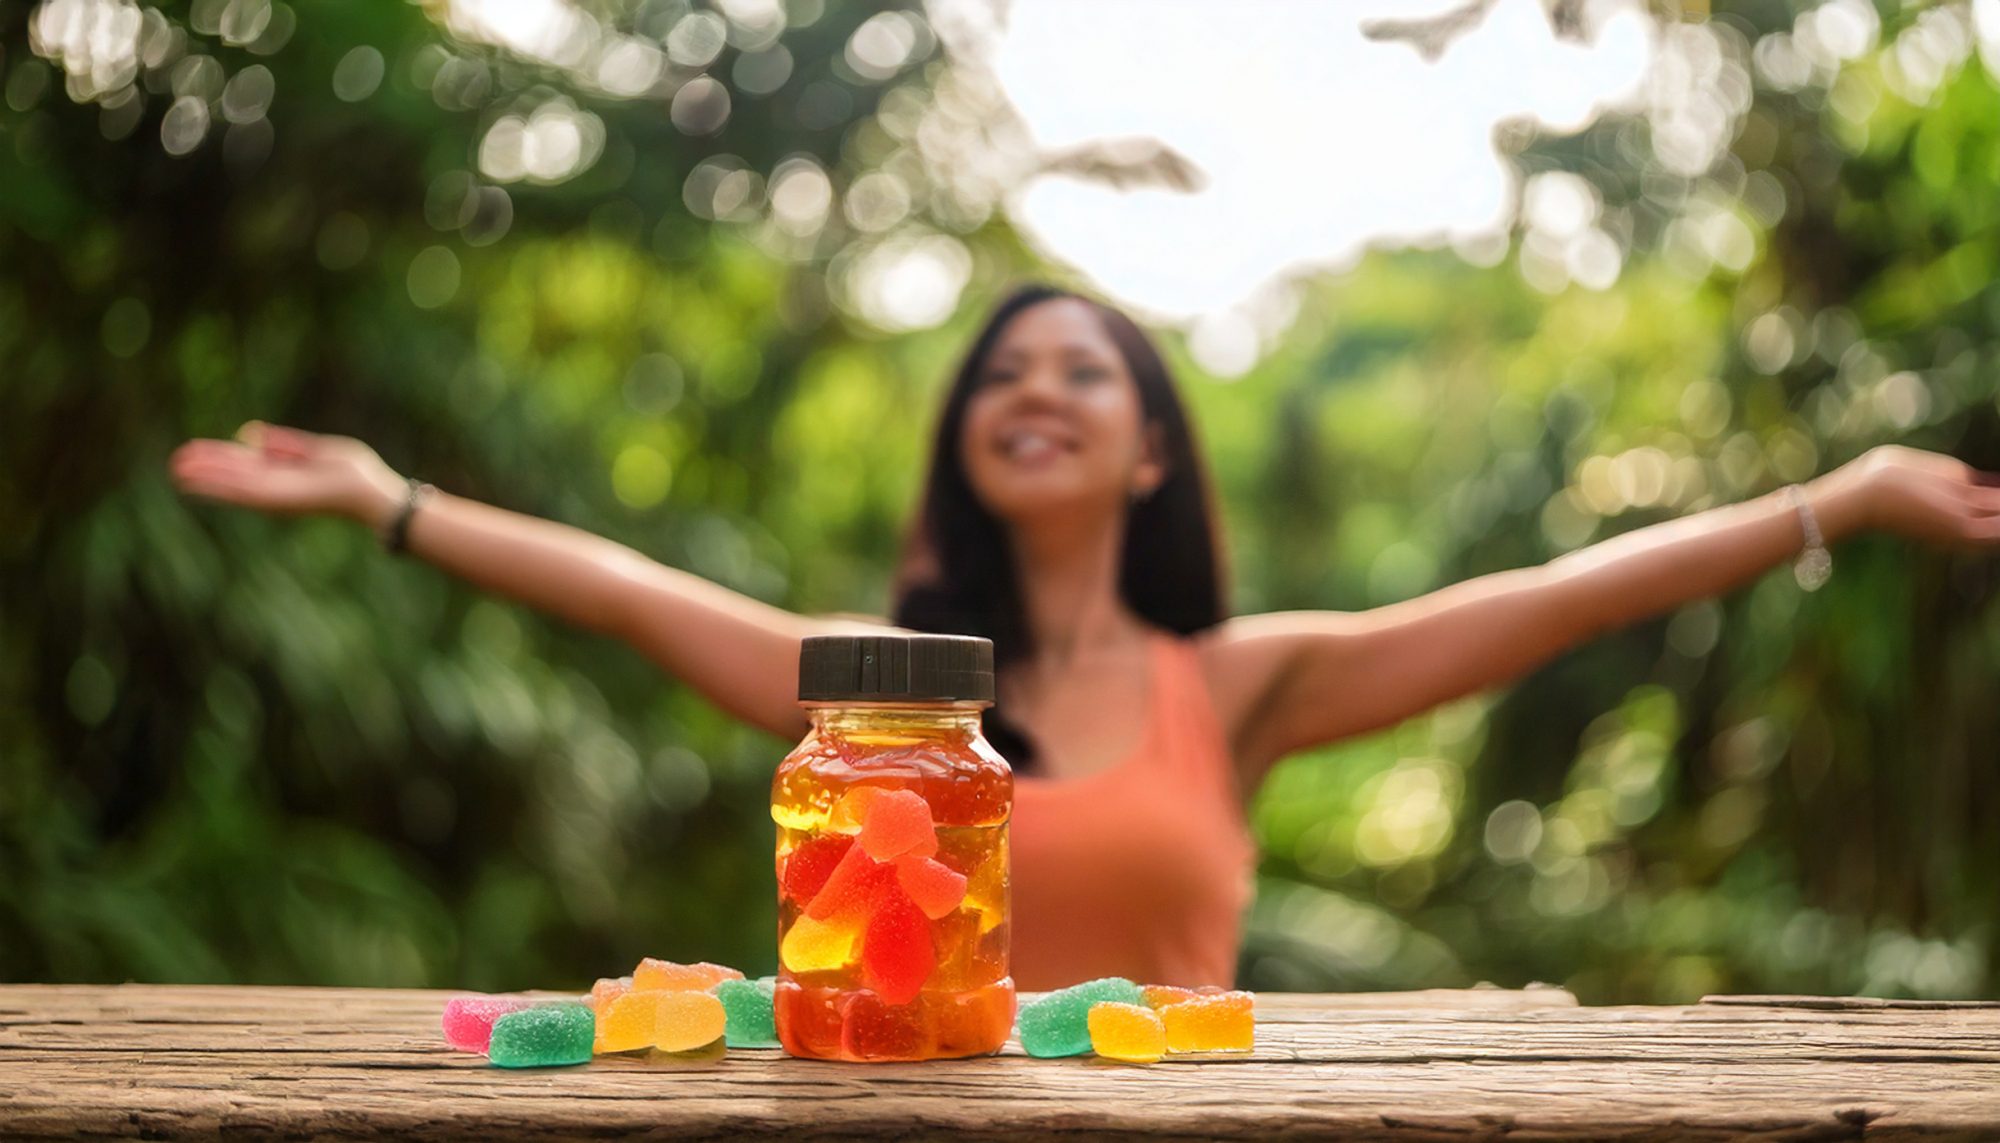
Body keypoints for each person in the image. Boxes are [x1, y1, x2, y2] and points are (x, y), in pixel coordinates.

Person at [170, 284, 2000, 990]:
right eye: (1001, 373)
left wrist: (1831, 499)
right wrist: (391, 502)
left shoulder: (1240, 681)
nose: (1035, 390)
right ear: (966, 439)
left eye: (1084, 372)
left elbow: (1545, 603)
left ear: (1146, 453)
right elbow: (630, 590)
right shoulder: (872, 701)